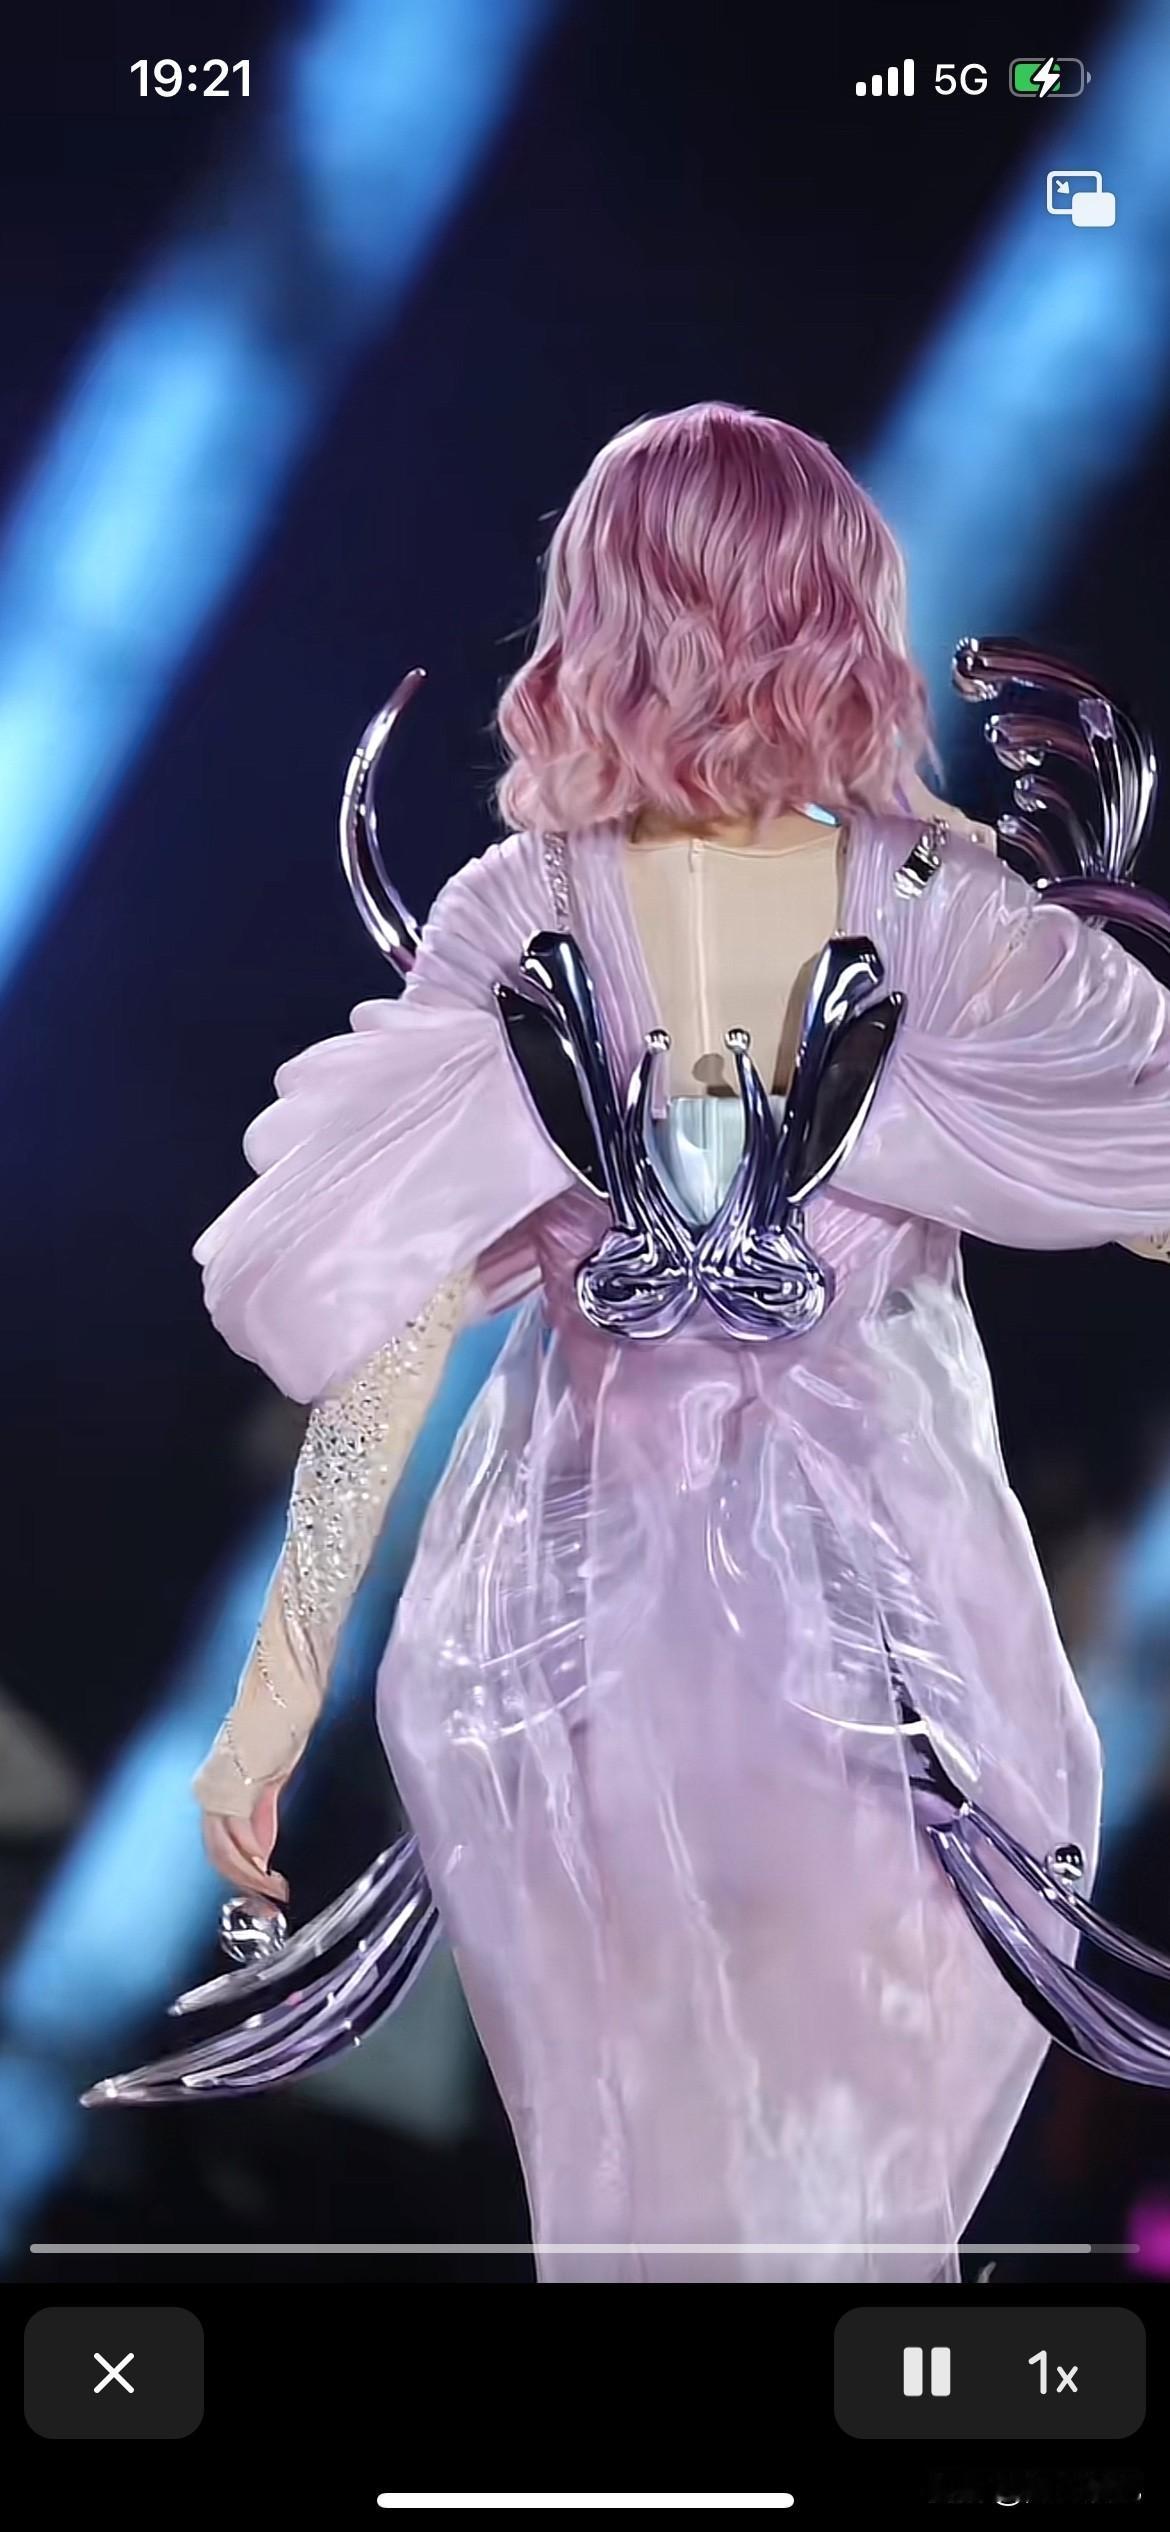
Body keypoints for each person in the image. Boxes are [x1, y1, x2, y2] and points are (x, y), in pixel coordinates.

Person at [187, 404, 1170, 2281]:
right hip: (891, 1654)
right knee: (835, 2200)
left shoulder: (523, 905)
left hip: (572, 1648)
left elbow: (393, 1337)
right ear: (843, 608)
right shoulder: (936, 906)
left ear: (599, 609)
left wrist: (276, 1693)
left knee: (648, 2198)